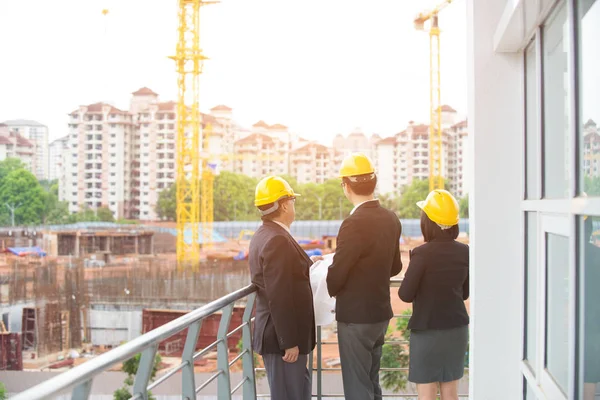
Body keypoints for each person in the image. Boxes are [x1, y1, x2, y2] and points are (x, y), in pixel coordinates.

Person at [326, 153, 403, 400]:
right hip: (380, 315)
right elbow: (395, 267)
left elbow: (336, 278)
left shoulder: (353, 223)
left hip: (355, 319)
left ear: (346, 186)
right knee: (371, 383)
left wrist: (328, 272)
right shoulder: (391, 218)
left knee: (358, 388)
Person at [248, 176, 316, 400]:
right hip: (283, 341)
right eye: (292, 201)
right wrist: (289, 342)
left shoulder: (266, 234)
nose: (293, 205)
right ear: (285, 204)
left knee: (294, 392)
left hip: (279, 335)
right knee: (291, 394)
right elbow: (279, 295)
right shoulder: (278, 240)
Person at [398, 189, 469, 400]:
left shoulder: (422, 254)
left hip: (427, 330)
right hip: (456, 329)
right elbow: (465, 293)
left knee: (426, 394)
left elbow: (405, 294)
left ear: (427, 222)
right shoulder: (465, 252)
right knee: (450, 392)